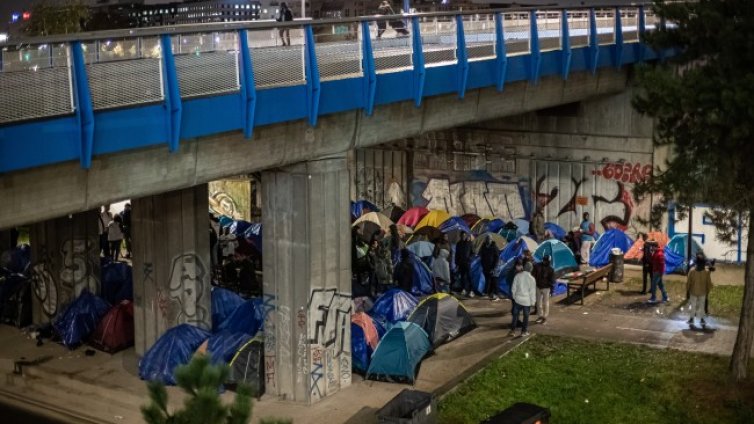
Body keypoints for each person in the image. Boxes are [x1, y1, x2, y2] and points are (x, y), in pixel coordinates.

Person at [508, 259, 536, 337]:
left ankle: (512, 331)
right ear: (531, 269)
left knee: (515, 316)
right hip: (527, 301)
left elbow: (513, 288)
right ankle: (524, 331)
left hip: (518, 299)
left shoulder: (518, 276)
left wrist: (514, 297)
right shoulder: (532, 279)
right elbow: (532, 292)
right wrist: (533, 302)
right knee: (526, 317)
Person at [686, 252, 713, 327]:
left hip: (693, 291)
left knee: (693, 305)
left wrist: (688, 290)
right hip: (703, 291)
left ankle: (691, 318)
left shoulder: (692, 271)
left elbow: (688, 282)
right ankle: (702, 319)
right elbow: (709, 283)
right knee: (702, 305)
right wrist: (708, 290)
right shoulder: (706, 272)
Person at [533, 255, 555, 324]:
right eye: (544, 260)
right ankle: (540, 316)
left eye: (546, 260)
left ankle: (544, 317)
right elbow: (534, 275)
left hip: (545, 288)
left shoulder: (550, 269)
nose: (545, 261)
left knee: (545, 303)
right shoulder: (537, 266)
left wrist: (551, 290)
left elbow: (552, 281)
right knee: (539, 303)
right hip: (540, 287)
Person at [479, 235, 499, 300]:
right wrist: (483, 265)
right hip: (486, 267)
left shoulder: (494, 247)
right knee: (487, 280)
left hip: (492, 267)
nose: (488, 240)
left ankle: (494, 293)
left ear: (491, 240)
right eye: (487, 239)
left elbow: (497, 258)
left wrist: (494, 267)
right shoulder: (483, 247)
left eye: (489, 239)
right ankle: (488, 292)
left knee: (493, 280)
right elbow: (481, 256)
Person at [456, 232, 473, 297]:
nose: (463, 236)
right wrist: (457, 263)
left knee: (469, 276)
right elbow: (457, 254)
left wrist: (469, 258)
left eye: (464, 235)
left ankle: (471, 290)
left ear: (466, 236)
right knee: (462, 277)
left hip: (467, 263)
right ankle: (463, 289)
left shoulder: (469, 243)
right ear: (460, 236)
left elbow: (472, 252)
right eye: (462, 235)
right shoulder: (458, 244)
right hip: (461, 263)